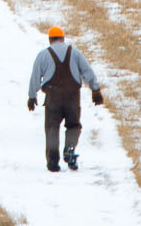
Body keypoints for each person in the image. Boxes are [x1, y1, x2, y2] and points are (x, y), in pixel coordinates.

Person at [27, 24, 103, 173]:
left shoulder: (43, 54)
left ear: (50, 39)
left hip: (52, 97)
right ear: (63, 38)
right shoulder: (74, 53)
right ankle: (69, 149)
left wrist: (32, 96)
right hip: (72, 96)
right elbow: (87, 71)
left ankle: (53, 162)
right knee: (73, 125)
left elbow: (35, 77)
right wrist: (96, 90)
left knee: (52, 127)